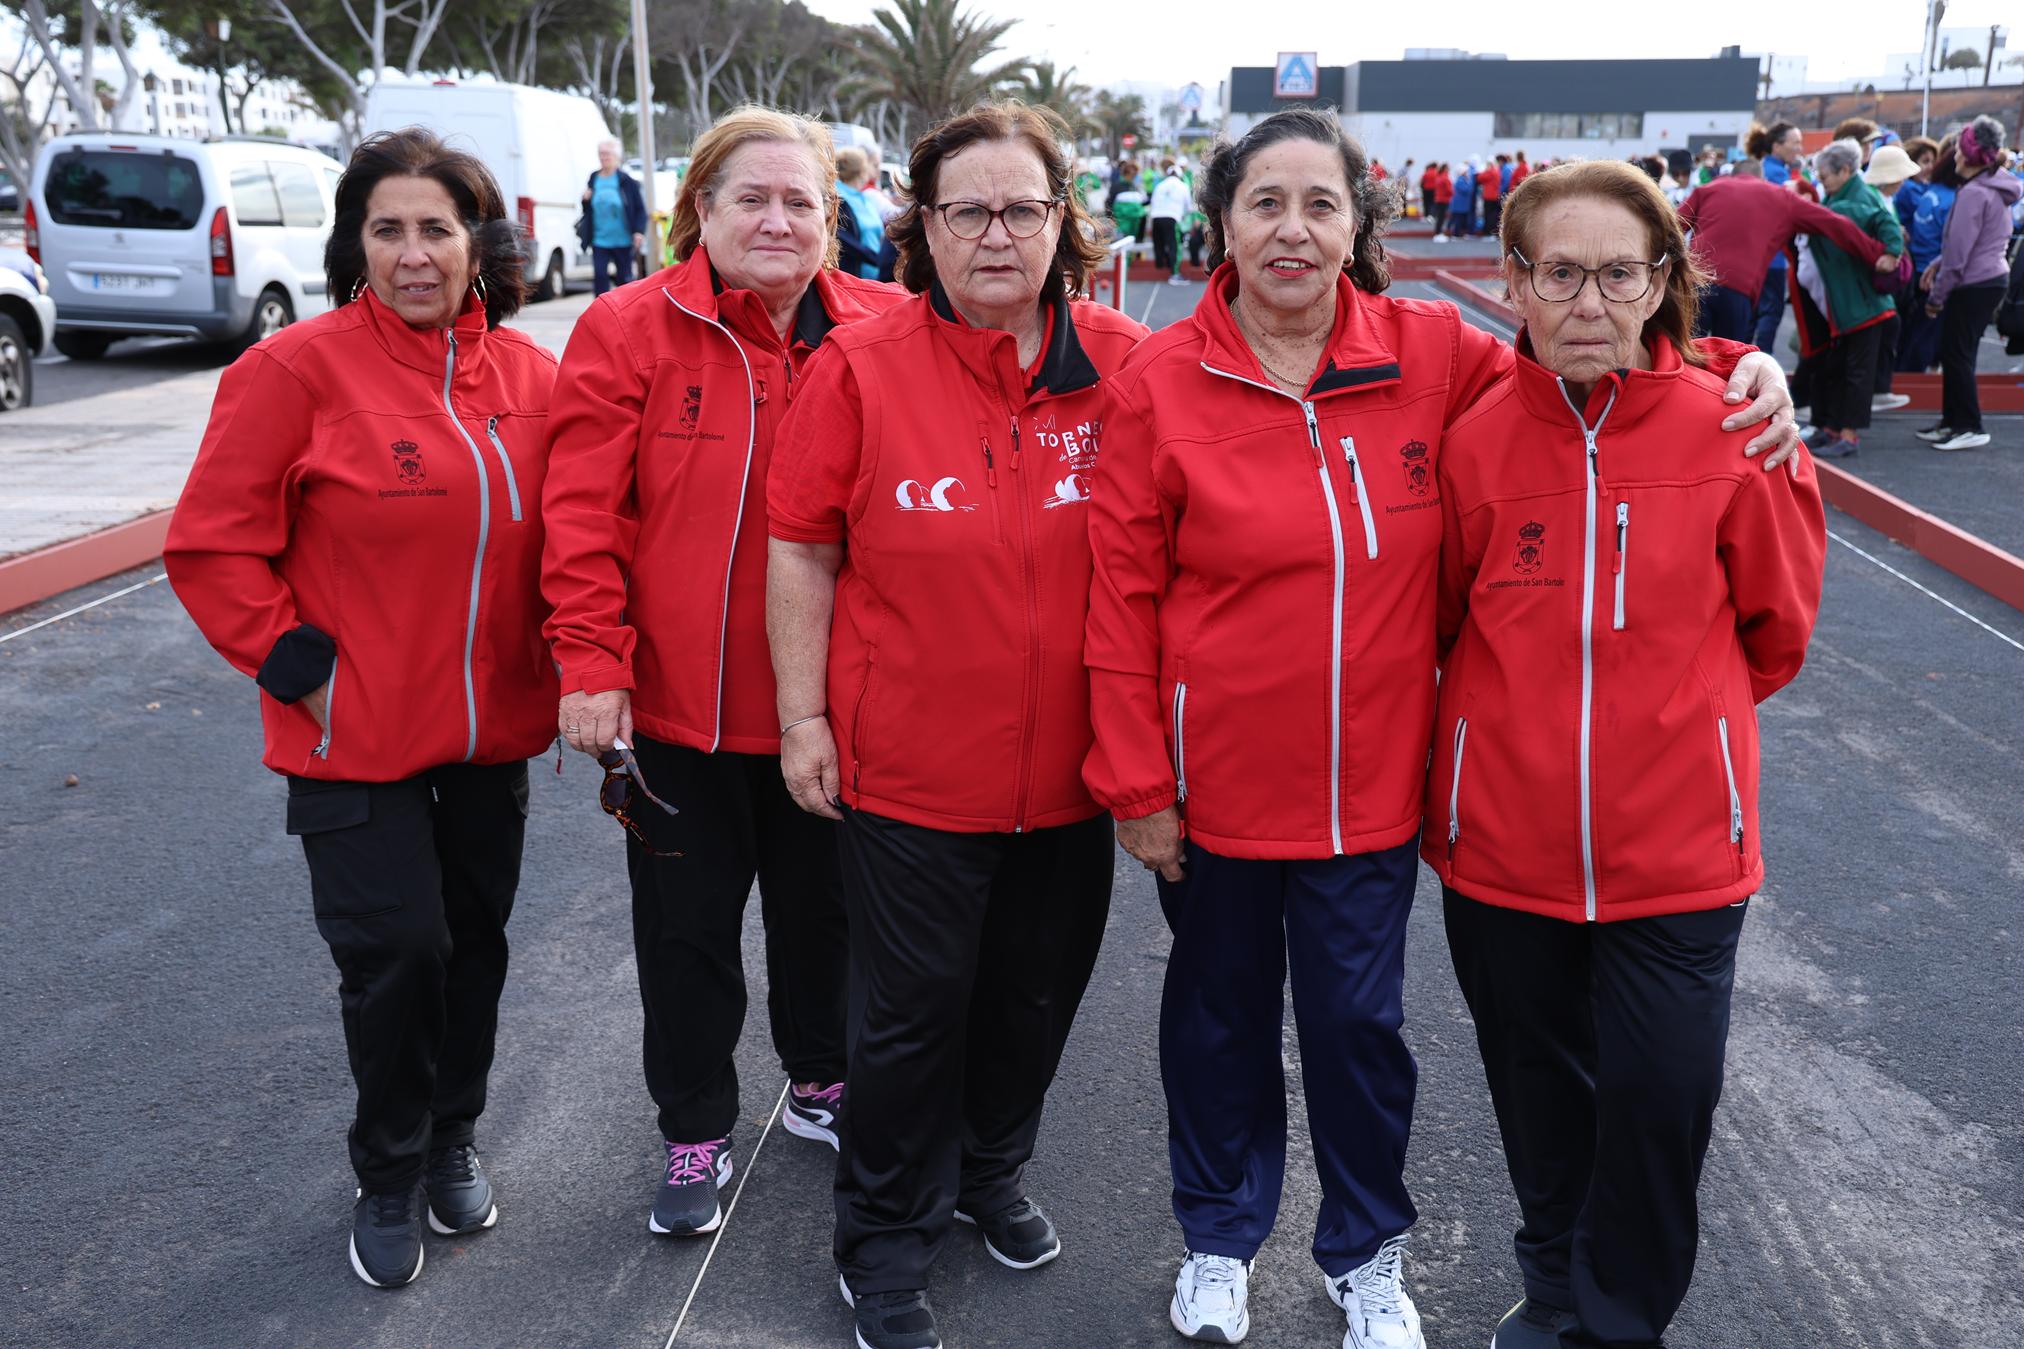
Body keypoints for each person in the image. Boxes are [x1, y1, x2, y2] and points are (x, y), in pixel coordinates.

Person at [1080, 111, 1798, 1349]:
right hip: (1213, 786)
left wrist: (1740, 364)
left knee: (1358, 1033)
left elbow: (1590, 348)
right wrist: (1137, 780)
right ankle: (1218, 1235)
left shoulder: (1427, 352)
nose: (1291, 229)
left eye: (1319, 203)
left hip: (1374, 784)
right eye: (1264, 203)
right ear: (1222, 224)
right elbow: (1119, 595)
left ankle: (1364, 1250)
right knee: (1215, 1020)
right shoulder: (1161, 379)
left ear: (1358, 223)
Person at [766, 100, 1147, 1349]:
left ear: (1059, 220)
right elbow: (801, 548)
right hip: (911, 774)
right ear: (921, 227)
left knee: (1032, 998)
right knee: (910, 1015)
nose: (995, 234)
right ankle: (883, 1238)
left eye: (1020, 209)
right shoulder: (858, 368)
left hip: (1073, 775)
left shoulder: (1127, 365)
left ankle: (989, 1171)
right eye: (966, 210)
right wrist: (802, 714)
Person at [1427, 156, 1825, 1349]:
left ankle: (1616, 1321)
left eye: (1618, 274)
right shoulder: (1472, 441)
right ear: (1513, 280)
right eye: (1559, 273)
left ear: (1661, 283)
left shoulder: (1734, 427)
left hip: (1679, 848)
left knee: (1659, 1098)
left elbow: (1775, 630)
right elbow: (1442, 618)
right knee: (1535, 1092)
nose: (1588, 302)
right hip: (1503, 847)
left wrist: (1676, 718)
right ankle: (1553, 1281)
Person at [164, 127, 557, 1289]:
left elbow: (582, 536)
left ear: (478, 244)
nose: (413, 253)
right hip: (352, 735)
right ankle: (387, 1170)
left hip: (488, 733)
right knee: (397, 952)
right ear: (356, 245)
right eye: (387, 229)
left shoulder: (535, 382)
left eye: (436, 228)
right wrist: (301, 668)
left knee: (472, 944)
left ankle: (450, 1136)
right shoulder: (294, 372)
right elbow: (212, 544)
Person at [541, 107, 900, 1241]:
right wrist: (591, 662)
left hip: (832, 710)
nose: (778, 220)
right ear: (701, 209)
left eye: (801, 201)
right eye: (753, 198)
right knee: (685, 934)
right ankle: (694, 1125)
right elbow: (583, 515)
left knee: (825, 919)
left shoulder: (887, 328)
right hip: (680, 716)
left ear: (832, 219)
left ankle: (819, 1077)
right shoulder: (625, 328)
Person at [1676, 156, 1892, 341]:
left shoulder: (1707, 189)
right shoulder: (1781, 197)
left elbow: (1672, 226)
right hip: (1738, 287)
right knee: (1727, 359)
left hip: (1695, 281)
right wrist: (1877, 252)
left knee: (1684, 353)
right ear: (1761, 177)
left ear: (1733, 175)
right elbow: (1835, 224)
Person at [1794, 139, 1905, 457]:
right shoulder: (1840, 196)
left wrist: (1892, 252)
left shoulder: (1854, 201)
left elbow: (1886, 223)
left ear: (1844, 171)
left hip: (1864, 305)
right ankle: (1832, 428)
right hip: (1848, 304)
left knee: (1857, 373)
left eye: (1825, 176)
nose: (1822, 182)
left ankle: (1849, 434)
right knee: (1840, 370)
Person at [1920, 116, 2020, 451]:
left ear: (1970, 155)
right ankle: (1952, 421)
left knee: (1958, 355)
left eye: (1960, 149)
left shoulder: (1974, 193)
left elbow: (1958, 257)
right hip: (1988, 278)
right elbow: (1970, 244)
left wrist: (1935, 298)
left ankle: (1968, 425)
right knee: (1957, 353)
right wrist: (1939, 263)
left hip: (1974, 282)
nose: (1955, 155)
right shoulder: (1992, 186)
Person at [1861, 144, 1918, 409]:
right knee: (1885, 329)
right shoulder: (1874, 199)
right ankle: (1874, 391)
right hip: (1875, 279)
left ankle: (1877, 389)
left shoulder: (1882, 198)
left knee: (1887, 329)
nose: (1903, 181)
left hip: (1881, 279)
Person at [1898, 133, 1960, 373]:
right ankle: (1909, 382)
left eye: (1932, 161)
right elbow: (1955, 244)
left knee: (1916, 335)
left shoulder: (1930, 193)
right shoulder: (1946, 199)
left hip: (1919, 268)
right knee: (1923, 338)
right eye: (1924, 161)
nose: (1929, 166)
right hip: (1930, 272)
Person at [1747, 121, 1807, 351]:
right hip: (1774, 256)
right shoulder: (1777, 175)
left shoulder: (1764, 169)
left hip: (1757, 254)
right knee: (1770, 312)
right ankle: (1763, 360)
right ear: (1777, 146)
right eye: (1795, 143)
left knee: (1753, 313)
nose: (1799, 148)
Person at [579, 139, 648, 295]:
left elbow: (640, 209)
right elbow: (587, 209)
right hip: (599, 238)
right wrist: (585, 200)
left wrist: (639, 231)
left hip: (622, 239)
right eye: (601, 154)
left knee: (624, 279)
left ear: (616, 156)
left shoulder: (626, 181)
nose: (603, 157)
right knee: (600, 276)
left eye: (607, 154)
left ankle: (625, 307)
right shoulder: (594, 178)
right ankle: (600, 307)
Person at [835, 146, 890, 280]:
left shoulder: (863, 198)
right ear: (861, 171)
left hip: (873, 276)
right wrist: (877, 259)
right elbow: (844, 239)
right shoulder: (839, 199)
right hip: (852, 278)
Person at [1151, 158, 1192, 282]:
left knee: (1159, 244)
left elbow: (1153, 201)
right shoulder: (1183, 186)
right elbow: (1188, 207)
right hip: (1172, 218)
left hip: (1156, 217)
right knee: (1174, 245)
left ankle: (1159, 269)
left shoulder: (1160, 185)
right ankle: (1174, 274)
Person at [1479, 154, 1506, 237]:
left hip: (1488, 197)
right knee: (1493, 215)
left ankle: (1488, 232)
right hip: (1494, 196)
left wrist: (1486, 170)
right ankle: (1491, 232)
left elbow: (1480, 178)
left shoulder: (1490, 171)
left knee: (1488, 215)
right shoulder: (1497, 171)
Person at [1432, 162, 1456, 240]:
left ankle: (1437, 232)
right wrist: (1453, 193)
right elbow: (1449, 190)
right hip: (1444, 199)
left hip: (1438, 199)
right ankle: (1438, 233)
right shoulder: (1445, 177)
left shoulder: (1438, 176)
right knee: (1441, 218)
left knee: (1440, 218)